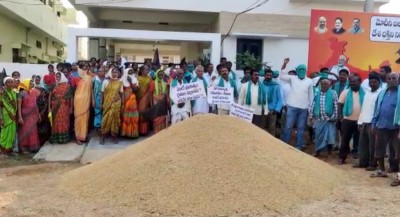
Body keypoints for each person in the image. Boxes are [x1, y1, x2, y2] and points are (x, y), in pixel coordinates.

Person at [370, 73, 400, 180]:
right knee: (379, 149)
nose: (391, 80)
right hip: (382, 126)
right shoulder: (382, 93)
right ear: (386, 80)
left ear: (398, 79)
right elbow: (376, 110)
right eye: (389, 79)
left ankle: (398, 175)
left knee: (397, 151)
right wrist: (374, 123)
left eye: (394, 78)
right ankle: (381, 171)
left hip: (396, 127)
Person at [280, 63, 313, 150]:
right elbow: (282, 76)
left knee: (301, 127)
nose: (302, 71)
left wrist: (310, 109)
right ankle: (285, 144)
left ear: (305, 71)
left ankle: (298, 146)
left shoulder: (309, 81)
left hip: (303, 108)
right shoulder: (292, 78)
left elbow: (311, 95)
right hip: (292, 106)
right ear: (297, 71)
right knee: (288, 126)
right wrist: (284, 64)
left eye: (303, 69)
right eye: (300, 69)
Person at [354, 74, 381, 169]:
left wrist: (376, 124)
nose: (372, 84)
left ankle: (373, 164)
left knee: (372, 145)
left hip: (373, 123)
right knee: (362, 144)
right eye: (371, 82)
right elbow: (364, 108)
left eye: (375, 82)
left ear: (379, 82)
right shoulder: (367, 93)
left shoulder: (380, 93)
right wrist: (360, 122)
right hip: (364, 121)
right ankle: (363, 162)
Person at [337, 74, 365, 164]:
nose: (351, 83)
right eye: (350, 82)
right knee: (345, 139)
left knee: (358, 138)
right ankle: (342, 157)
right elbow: (340, 104)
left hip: (360, 120)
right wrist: (340, 116)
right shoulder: (345, 92)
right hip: (347, 120)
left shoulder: (365, 93)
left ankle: (356, 153)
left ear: (360, 82)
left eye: (354, 81)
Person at [309, 79, 338, 156]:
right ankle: (317, 151)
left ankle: (329, 152)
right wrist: (311, 115)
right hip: (319, 118)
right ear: (320, 85)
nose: (324, 85)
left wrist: (334, 116)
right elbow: (313, 104)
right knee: (318, 136)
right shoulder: (317, 92)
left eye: (326, 84)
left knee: (329, 136)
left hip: (329, 119)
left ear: (329, 85)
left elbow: (335, 105)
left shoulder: (333, 93)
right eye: (322, 84)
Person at [49, 72, 73, 144]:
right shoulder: (54, 85)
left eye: (59, 76)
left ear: (62, 77)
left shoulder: (67, 86)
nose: (57, 78)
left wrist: (71, 108)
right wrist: (49, 107)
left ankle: (63, 139)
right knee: (56, 121)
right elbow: (50, 97)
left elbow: (71, 97)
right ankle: (56, 138)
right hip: (54, 106)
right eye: (56, 76)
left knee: (64, 121)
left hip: (64, 106)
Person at [100, 68, 123, 144]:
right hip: (107, 104)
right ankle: (103, 136)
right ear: (110, 73)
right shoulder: (105, 81)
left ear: (118, 73)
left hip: (116, 103)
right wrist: (101, 103)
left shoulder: (119, 82)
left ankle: (114, 136)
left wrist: (122, 103)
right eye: (113, 72)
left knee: (115, 120)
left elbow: (121, 93)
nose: (114, 74)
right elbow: (102, 93)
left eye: (116, 72)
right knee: (105, 119)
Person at [17, 79, 40, 153]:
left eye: (31, 83)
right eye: (30, 83)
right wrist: (20, 117)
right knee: (25, 131)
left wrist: (38, 114)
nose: (31, 84)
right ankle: (23, 147)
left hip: (33, 116)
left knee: (33, 131)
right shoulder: (21, 93)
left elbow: (35, 104)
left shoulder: (33, 92)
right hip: (25, 116)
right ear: (25, 84)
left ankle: (32, 147)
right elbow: (19, 106)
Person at [74, 67, 93, 145]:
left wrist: (92, 100)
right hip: (78, 101)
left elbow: (91, 90)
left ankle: (83, 136)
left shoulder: (89, 78)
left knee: (85, 119)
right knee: (78, 119)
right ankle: (77, 137)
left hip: (86, 101)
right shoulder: (76, 79)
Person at [120, 68, 140, 138]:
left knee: (133, 117)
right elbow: (120, 91)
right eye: (129, 72)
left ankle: (132, 133)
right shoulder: (122, 80)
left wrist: (130, 82)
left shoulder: (135, 80)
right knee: (125, 116)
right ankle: (125, 132)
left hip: (132, 101)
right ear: (126, 73)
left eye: (131, 72)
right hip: (124, 100)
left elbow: (135, 90)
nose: (130, 74)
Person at [0, 77, 17, 155]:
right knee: (4, 133)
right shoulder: (2, 93)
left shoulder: (14, 92)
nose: (10, 83)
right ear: (5, 84)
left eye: (11, 82)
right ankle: (2, 149)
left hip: (13, 116)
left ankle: (8, 150)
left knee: (12, 133)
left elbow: (14, 105)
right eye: (8, 82)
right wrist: (0, 118)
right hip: (5, 116)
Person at [263, 69, 283, 137]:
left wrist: (276, 109)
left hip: (272, 110)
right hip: (262, 109)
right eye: (267, 75)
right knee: (261, 127)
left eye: (270, 75)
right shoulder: (261, 85)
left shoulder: (276, 86)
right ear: (264, 75)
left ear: (272, 76)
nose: (269, 77)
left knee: (271, 128)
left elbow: (280, 99)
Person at [137, 65, 154, 135]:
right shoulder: (137, 78)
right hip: (138, 98)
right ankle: (139, 130)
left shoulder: (149, 79)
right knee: (139, 113)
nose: (147, 71)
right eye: (146, 69)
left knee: (145, 113)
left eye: (147, 69)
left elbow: (151, 89)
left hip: (146, 98)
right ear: (141, 71)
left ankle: (144, 130)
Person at [33, 75, 51, 146]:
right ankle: (37, 142)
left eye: (38, 80)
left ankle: (44, 141)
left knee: (44, 124)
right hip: (34, 110)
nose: (37, 81)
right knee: (36, 125)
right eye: (36, 80)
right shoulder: (32, 89)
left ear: (40, 80)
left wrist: (43, 110)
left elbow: (47, 99)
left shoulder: (44, 88)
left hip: (44, 109)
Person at [92, 66, 106, 136]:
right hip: (96, 98)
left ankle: (103, 129)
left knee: (104, 113)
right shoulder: (94, 79)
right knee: (97, 113)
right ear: (97, 72)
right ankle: (98, 128)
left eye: (102, 71)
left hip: (105, 98)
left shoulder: (106, 79)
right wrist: (93, 100)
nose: (101, 72)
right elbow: (92, 90)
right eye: (99, 71)